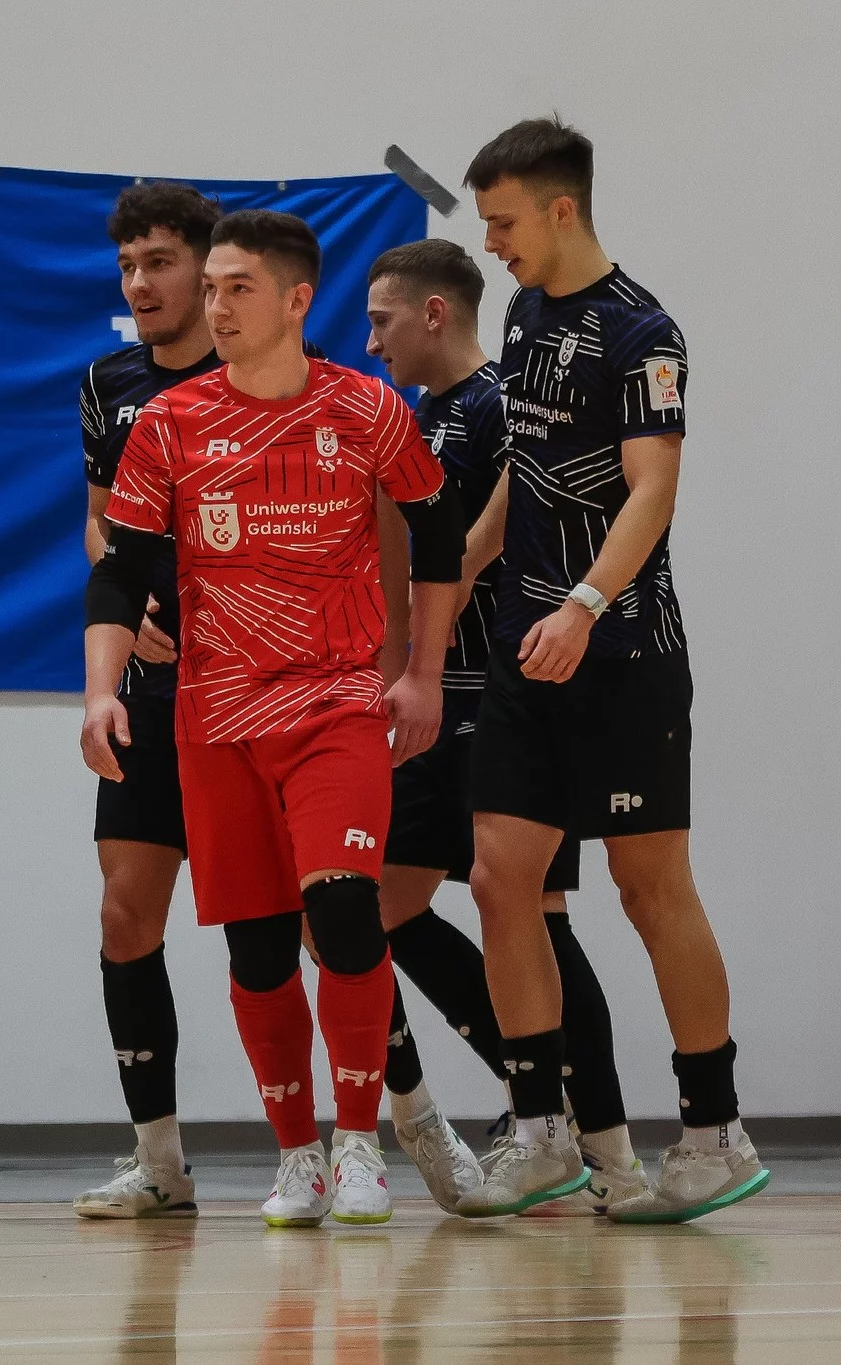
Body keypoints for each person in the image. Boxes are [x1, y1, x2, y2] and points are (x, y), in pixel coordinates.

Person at [81, 209, 463, 1227]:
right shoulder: (167, 423)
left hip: (335, 703)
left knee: (342, 911)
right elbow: (119, 571)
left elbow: (438, 538)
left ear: (296, 299)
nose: (216, 305)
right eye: (210, 287)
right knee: (254, 950)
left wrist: (422, 675)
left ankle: (359, 1144)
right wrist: (100, 691)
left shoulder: (368, 408)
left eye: (236, 287)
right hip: (213, 717)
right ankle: (296, 1155)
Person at [453, 117, 767, 1222]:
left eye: (502, 222)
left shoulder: (643, 331)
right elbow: (527, 464)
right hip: (522, 647)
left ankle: (713, 1130)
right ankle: (540, 1129)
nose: (490, 243)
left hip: (623, 650)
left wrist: (585, 604)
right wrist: (463, 564)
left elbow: (651, 488)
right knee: (498, 877)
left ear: (561, 209)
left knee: (647, 889)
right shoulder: (523, 313)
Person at [363, 237, 644, 1215]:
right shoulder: (416, 419)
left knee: (535, 910)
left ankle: (604, 1144)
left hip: (508, 697)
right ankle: (534, 1109)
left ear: (433, 312)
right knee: (372, 909)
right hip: (431, 703)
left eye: (382, 321)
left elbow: (478, 548)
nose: (371, 342)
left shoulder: (501, 407)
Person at [72, 182, 222, 1220]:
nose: (139, 283)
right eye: (127, 265)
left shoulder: (269, 376)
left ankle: (398, 1127)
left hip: (257, 693)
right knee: (125, 914)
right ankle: (159, 1160)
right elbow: (98, 526)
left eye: (159, 261)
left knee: (316, 927)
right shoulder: (107, 383)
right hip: (152, 690)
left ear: (209, 270)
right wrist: (134, 615)